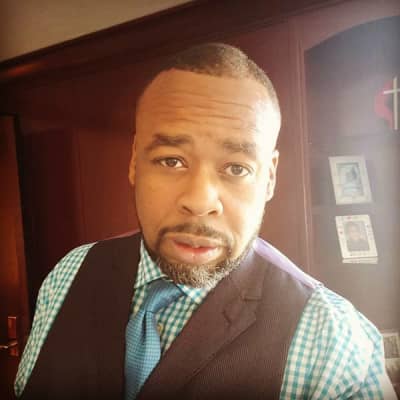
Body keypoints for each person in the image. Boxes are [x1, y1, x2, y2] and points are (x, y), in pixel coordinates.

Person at [15, 43, 396, 399]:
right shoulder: (70, 273)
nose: (199, 202)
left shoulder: (333, 343)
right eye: (171, 160)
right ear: (134, 161)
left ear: (269, 178)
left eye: (236, 168)